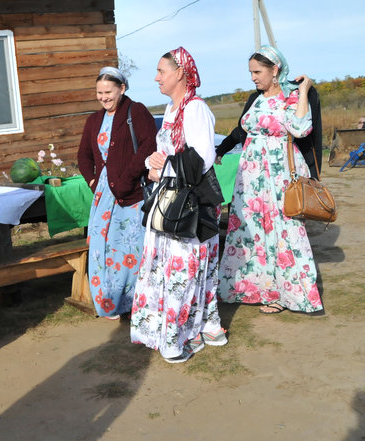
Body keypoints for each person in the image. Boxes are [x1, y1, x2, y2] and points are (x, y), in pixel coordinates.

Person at [129, 47, 226, 363]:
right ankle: (195, 329)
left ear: (180, 73)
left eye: (161, 71)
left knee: (187, 271)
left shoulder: (195, 108)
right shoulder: (171, 110)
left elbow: (203, 157)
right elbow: (161, 153)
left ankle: (178, 337)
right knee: (176, 270)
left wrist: (163, 167)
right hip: (169, 200)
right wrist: (152, 162)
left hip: (190, 204)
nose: (156, 77)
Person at [217, 45, 323, 315]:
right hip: (251, 177)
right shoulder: (256, 98)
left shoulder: (291, 97)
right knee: (250, 231)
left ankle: (286, 295)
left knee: (282, 233)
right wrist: (220, 150)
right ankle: (255, 289)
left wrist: (303, 90)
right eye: (251, 72)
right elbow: (241, 129)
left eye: (257, 71)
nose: (253, 77)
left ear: (274, 70)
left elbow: (301, 128)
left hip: (279, 175)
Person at [77, 66, 157, 318]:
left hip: (131, 194)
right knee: (103, 249)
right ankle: (109, 302)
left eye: (108, 92)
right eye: (99, 93)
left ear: (122, 89)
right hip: (103, 196)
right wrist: (92, 181)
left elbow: (147, 147)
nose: (103, 97)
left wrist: (125, 180)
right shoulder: (94, 120)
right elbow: (84, 155)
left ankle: (137, 302)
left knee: (131, 250)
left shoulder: (137, 112)